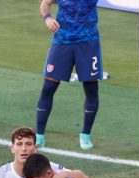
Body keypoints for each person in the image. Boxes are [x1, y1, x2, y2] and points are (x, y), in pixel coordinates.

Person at [36, 0, 102, 150]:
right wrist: (47, 19)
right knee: (48, 87)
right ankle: (39, 136)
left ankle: (85, 135)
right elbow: (45, 3)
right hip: (62, 41)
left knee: (91, 89)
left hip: (88, 43)